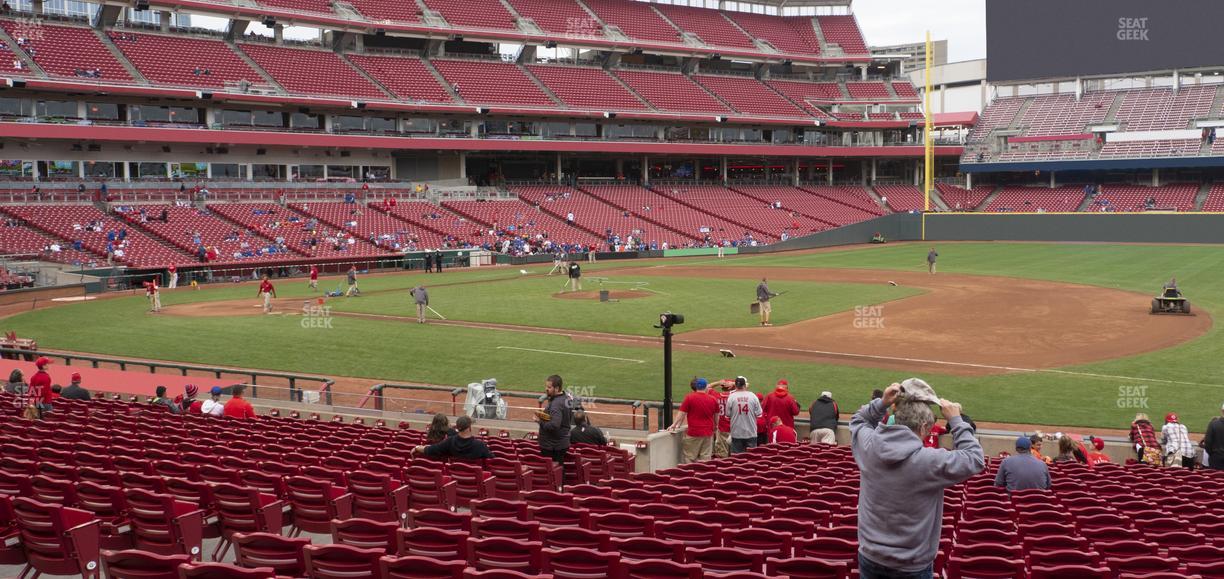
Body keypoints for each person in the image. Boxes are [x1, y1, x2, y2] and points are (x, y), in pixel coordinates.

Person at [852, 382, 983, 577]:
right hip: (911, 566)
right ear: (923, 427)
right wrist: (957, 420)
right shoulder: (928, 461)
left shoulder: (869, 446)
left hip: (870, 556)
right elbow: (975, 458)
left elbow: (859, 420)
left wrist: (882, 403)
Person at [668, 377, 720, 463]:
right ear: (705, 387)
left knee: (690, 457)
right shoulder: (713, 399)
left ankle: (691, 475)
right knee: (705, 458)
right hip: (708, 433)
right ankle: (703, 475)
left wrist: (674, 424)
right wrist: (716, 426)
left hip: (693, 432)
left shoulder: (689, 398)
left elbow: (681, 413)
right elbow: (716, 417)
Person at [413, 415, 493, 460]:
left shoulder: (449, 442)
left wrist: (417, 447)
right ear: (469, 428)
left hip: (454, 480)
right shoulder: (480, 445)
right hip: (475, 481)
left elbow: (431, 449)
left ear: (457, 427)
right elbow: (493, 460)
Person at [537, 375, 573, 467]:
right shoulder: (566, 398)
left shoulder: (556, 404)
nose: (546, 389)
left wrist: (539, 421)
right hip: (560, 443)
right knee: (558, 470)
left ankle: (559, 482)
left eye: (549, 387)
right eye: (546, 386)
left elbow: (554, 425)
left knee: (555, 472)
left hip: (553, 446)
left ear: (557, 388)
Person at [724, 376, 762, 454]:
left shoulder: (731, 397)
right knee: (751, 458)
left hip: (736, 433)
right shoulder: (753, 396)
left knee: (737, 459)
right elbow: (759, 414)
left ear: (735, 386)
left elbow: (727, 415)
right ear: (745, 385)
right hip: (751, 432)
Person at [1205, 403, 1224, 470]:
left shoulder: (1213, 424)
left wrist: (1212, 454)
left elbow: (1207, 442)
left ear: (1222, 411)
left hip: (1216, 458)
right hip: (1216, 456)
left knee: (1215, 478)